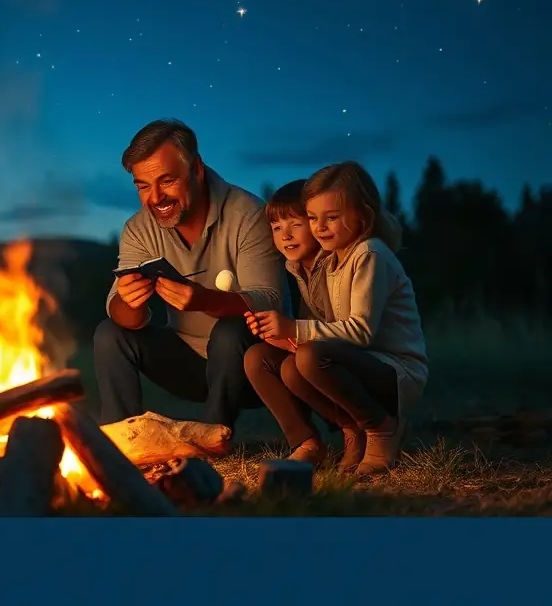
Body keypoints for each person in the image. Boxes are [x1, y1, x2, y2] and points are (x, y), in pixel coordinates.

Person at [93, 119, 287, 448]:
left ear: (196, 169)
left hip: (254, 366)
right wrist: (130, 303)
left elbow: (269, 301)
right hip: (189, 364)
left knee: (230, 330)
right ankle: (120, 444)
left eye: (166, 181)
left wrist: (204, 301)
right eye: (143, 186)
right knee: (109, 333)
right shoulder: (140, 229)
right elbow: (126, 317)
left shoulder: (248, 214)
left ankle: (211, 440)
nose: (155, 197)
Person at [246, 161, 428, 476]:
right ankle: (349, 430)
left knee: (309, 357)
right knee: (280, 363)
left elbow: (360, 332)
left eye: (332, 217)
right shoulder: (333, 259)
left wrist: (294, 329)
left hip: (396, 372)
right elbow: (323, 328)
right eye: (314, 218)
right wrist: (283, 336)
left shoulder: (369, 255)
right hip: (362, 363)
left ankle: (383, 428)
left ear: (363, 215)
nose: (321, 227)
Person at [244, 179, 363, 468]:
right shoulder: (299, 269)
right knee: (257, 357)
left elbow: (349, 334)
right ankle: (306, 442)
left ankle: (358, 428)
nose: (285, 235)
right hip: (325, 357)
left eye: (295, 224)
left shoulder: (337, 263)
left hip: (362, 360)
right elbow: (310, 335)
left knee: (293, 367)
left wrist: (293, 332)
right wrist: (278, 336)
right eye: (276, 228)